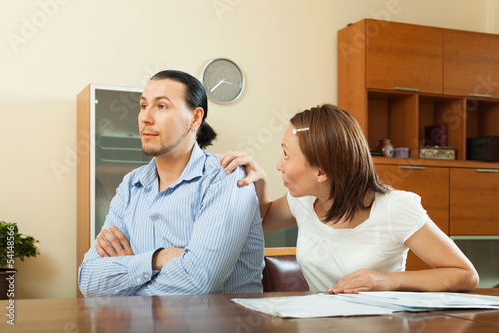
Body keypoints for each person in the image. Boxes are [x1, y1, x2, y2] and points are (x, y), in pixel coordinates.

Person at [220, 103, 479, 294]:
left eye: (286, 155)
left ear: (321, 171)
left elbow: (465, 275)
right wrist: (260, 180)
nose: (279, 165)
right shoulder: (303, 201)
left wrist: (386, 281)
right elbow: (261, 221)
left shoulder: (396, 208)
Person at [78, 70, 264, 297]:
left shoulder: (225, 176)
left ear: (195, 118)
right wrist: (158, 259)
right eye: (143, 105)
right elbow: (88, 279)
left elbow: (198, 282)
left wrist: (129, 273)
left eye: (162, 106)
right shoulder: (131, 185)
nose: (145, 117)